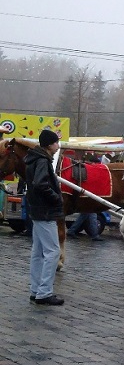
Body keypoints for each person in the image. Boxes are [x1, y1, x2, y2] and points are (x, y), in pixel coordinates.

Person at [24, 129, 64, 306]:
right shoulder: (42, 161)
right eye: (56, 142)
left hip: (36, 211)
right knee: (53, 251)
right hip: (46, 211)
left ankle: (36, 289)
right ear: (49, 145)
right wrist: (56, 198)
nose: (57, 146)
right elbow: (41, 184)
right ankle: (45, 292)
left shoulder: (33, 159)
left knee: (38, 252)